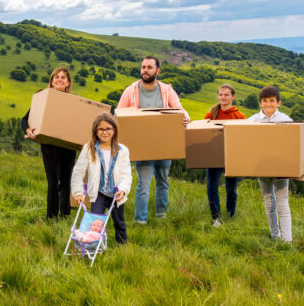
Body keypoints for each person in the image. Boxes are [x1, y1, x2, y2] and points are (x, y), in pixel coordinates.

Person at [116, 56, 189, 224]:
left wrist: (185, 118)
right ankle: (140, 221)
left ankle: (161, 216)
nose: (145, 70)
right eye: (143, 67)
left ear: (157, 71)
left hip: (164, 145)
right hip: (142, 147)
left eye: (149, 67)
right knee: (144, 185)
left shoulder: (167, 90)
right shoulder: (130, 91)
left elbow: (180, 110)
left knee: (163, 182)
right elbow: (119, 114)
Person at [248, 86, 304, 243]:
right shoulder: (253, 120)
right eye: (265, 101)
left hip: (281, 168)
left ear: (278, 103)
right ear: (260, 103)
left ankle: (287, 242)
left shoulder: (285, 119)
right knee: (268, 201)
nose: (268, 104)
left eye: (272, 101)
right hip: (262, 167)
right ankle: (274, 236)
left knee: (282, 203)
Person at [21, 67, 77, 219]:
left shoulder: (73, 102)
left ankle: (64, 215)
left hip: (67, 146)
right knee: (52, 182)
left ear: (68, 82)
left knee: (66, 182)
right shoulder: (43, 98)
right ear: (51, 81)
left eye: (63, 77)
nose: (59, 79)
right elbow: (24, 120)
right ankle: (51, 217)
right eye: (56, 77)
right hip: (49, 146)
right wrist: (28, 130)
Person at [71, 113, 132, 244]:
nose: (105, 132)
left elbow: (126, 174)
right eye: (101, 129)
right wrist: (78, 192)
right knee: (94, 223)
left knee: (119, 222)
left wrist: (122, 190)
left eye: (108, 129)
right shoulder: (89, 148)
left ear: (114, 130)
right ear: (96, 131)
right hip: (98, 193)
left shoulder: (122, 150)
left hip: (116, 194)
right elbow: (78, 172)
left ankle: (122, 247)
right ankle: (92, 247)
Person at [204, 84, 247, 227]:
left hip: (233, 155)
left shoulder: (240, 117)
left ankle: (230, 215)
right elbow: (202, 132)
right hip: (214, 155)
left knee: (231, 189)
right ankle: (216, 217)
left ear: (233, 97)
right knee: (212, 186)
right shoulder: (211, 114)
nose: (223, 97)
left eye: (226, 95)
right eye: (221, 94)